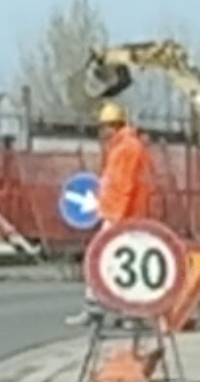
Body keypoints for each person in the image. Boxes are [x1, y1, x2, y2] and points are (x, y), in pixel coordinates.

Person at [65, 101, 156, 326]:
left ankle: (111, 310)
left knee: (102, 260)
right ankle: (126, 313)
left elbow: (124, 186)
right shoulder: (122, 147)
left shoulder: (127, 148)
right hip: (122, 214)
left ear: (112, 126)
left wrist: (116, 218)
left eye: (103, 127)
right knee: (118, 264)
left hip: (122, 216)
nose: (101, 133)